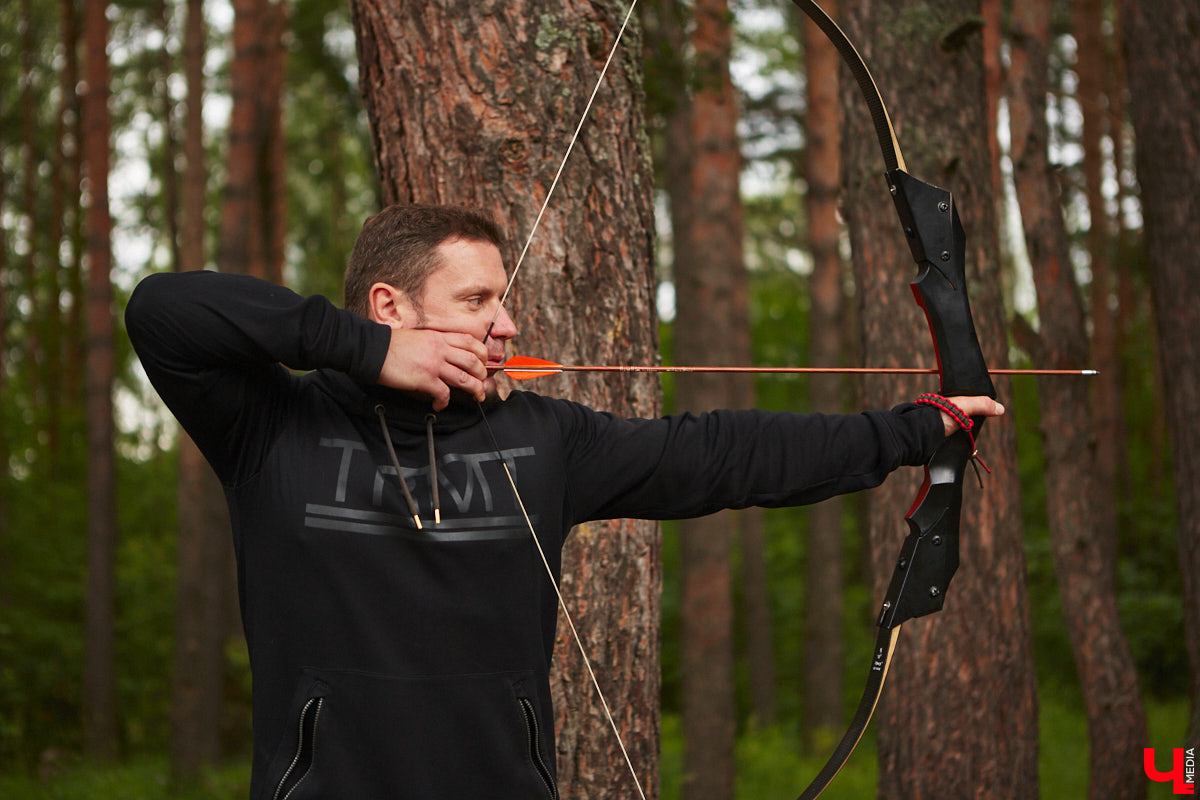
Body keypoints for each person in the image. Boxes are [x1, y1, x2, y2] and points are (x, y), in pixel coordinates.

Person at [126, 203, 1003, 800]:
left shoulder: (546, 439)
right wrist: (363, 351)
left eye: (502, 301)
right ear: (389, 306)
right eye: (477, 301)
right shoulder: (273, 427)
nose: (505, 325)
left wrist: (912, 431)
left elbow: (723, 454)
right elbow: (163, 310)